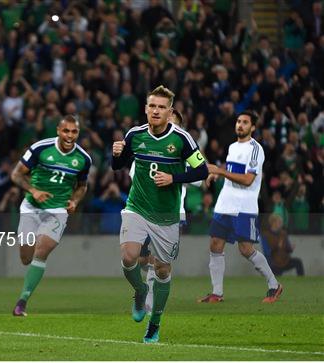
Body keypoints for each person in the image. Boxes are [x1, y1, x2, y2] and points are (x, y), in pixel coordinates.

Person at [112, 86, 208, 343]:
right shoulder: (134, 134)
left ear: (169, 111)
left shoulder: (182, 139)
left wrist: (174, 178)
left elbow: (202, 172)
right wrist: (116, 156)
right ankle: (141, 289)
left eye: (161, 107)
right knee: (128, 255)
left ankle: (154, 323)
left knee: (163, 270)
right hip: (137, 207)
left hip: (166, 215)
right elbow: (119, 167)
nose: (156, 111)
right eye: (152, 106)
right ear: (145, 108)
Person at [198, 110, 283, 304]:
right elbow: (232, 171)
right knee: (215, 244)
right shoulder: (232, 147)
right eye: (238, 121)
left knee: (246, 249)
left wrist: (219, 170)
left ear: (253, 127)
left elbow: (247, 179)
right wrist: (218, 174)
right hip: (225, 203)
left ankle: (274, 285)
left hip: (244, 205)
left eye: (245, 122)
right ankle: (217, 293)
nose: (240, 125)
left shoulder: (256, 149)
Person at [11, 115, 91, 317]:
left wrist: (74, 201)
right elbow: (16, 174)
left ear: (78, 133)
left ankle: (22, 301)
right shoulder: (40, 148)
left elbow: (82, 186)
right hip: (32, 208)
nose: (69, 135)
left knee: (42, 250)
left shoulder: (83, 159)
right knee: (25, 257)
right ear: (58, 130)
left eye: (74, 132)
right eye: (66, 131)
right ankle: (25, 289)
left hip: (57, 212)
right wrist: (33, 190)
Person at [137, 108, 202, 313]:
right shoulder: (148, 147)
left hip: (172, 212)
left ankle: (149, 301)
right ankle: (146, 292)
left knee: (159, 261)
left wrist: (175, 177)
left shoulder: (184, 151)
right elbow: (134, 176)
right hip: (144, 209)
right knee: (141, 259)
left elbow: (199, 179)